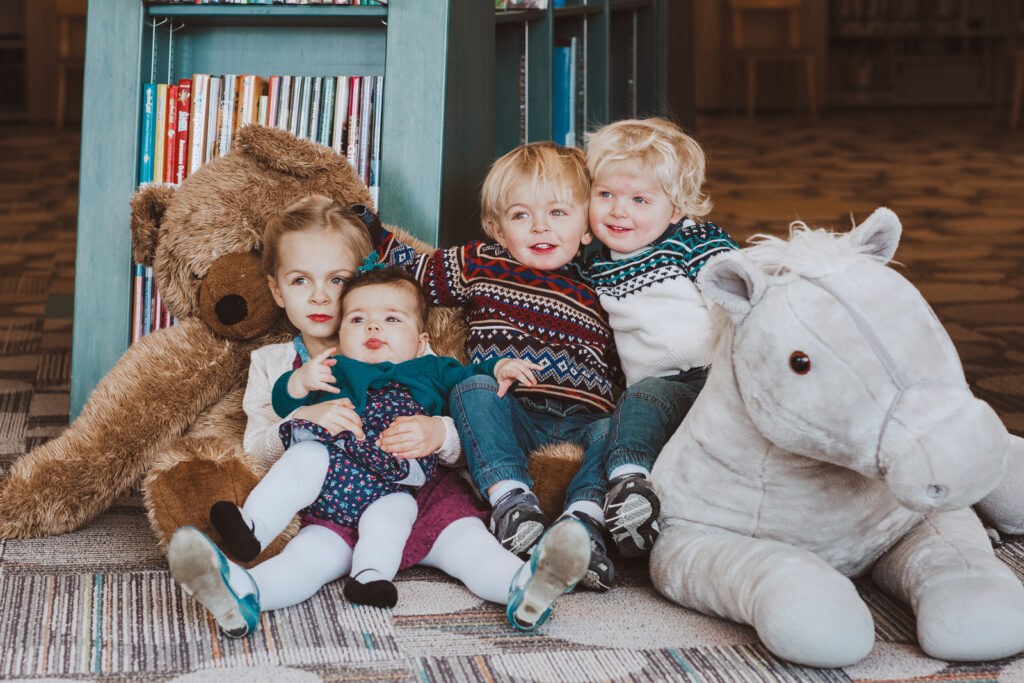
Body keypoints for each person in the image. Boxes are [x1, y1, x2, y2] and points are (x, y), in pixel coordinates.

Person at [166, 196, 589, 638]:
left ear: (359, 280)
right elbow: (255, 447)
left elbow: (468, 427)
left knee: (471, 546)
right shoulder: (276, 364)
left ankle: (526, 588)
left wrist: (436, 432)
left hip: (422, 496)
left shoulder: (408, 347)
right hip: (335, 503)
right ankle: (243, 594)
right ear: (276, 290)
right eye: (299, 281)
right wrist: (305, 415)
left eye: (337, 280)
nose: (319, 296)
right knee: (304, 561)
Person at [354, 142, 620, 591]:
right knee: (472, 388)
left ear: (588, 226)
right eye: (521, 216)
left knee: (619, 429)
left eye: (558, 213)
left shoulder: (601, 281)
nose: (541, 227)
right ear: (498, 229)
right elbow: (412, 268)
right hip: (512, 411)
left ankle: (583, 526)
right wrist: (368, 227)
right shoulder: (481, 261)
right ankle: (512, 505)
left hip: (587, 418)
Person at [579, 117, 738, 558]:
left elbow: (734, 297)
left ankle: (629, 486)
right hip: (652, 393)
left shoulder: (693, 242)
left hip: (711, 378)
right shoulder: (594, 267)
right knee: (609, 425)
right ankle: (606, 508)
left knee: (644, 397)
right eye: (605, 194)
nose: (618, 210)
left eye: (639, 199)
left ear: (675, 209)